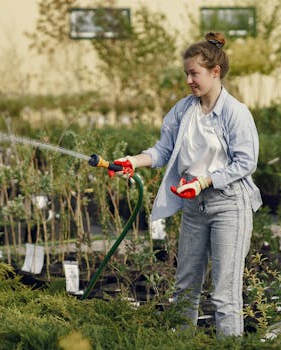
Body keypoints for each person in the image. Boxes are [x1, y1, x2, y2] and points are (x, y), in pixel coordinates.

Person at [111, 32, 262, 337]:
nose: (189, 80)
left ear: (215, 72)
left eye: (195, 73)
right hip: (194, 206)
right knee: (184, 289)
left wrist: (205, 180)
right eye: (187, 74)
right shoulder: (183, 110)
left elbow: (246, 163)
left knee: (224, 294)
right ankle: (180, 344)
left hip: (228, 205)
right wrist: (132, 161)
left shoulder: (236, 113)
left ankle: (229, 345)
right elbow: (162, 150)